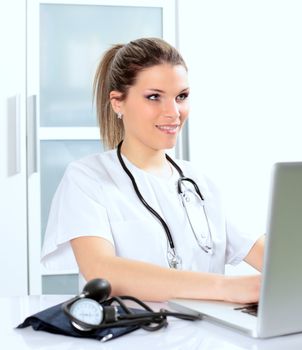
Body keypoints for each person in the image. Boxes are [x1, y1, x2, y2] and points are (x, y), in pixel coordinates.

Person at [41, 37, 264, 303]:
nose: (173, 112)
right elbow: (101, 271)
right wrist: (227, 288)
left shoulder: (199, 183)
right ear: (117, 102)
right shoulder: (86, 178)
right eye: (154, 97)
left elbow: (277, 263)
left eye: (181, 96)